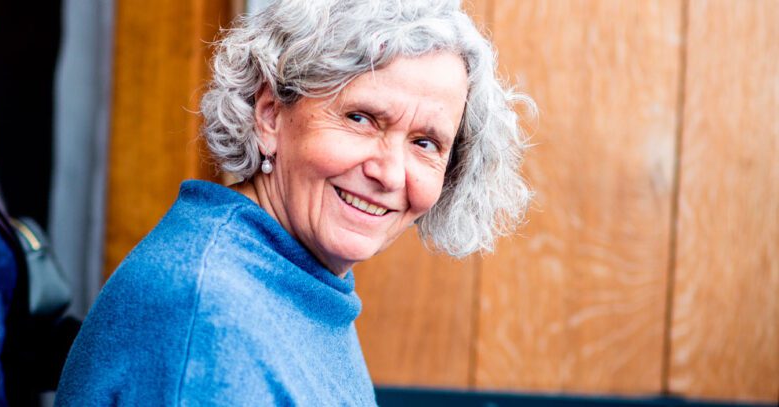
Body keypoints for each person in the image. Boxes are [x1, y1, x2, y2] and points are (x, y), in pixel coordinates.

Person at [56, 0, 532, 405]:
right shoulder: (210, 313)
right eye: (361, 118)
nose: (389, 173)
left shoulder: (294, 275)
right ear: (270, 116)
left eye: (425, 143)